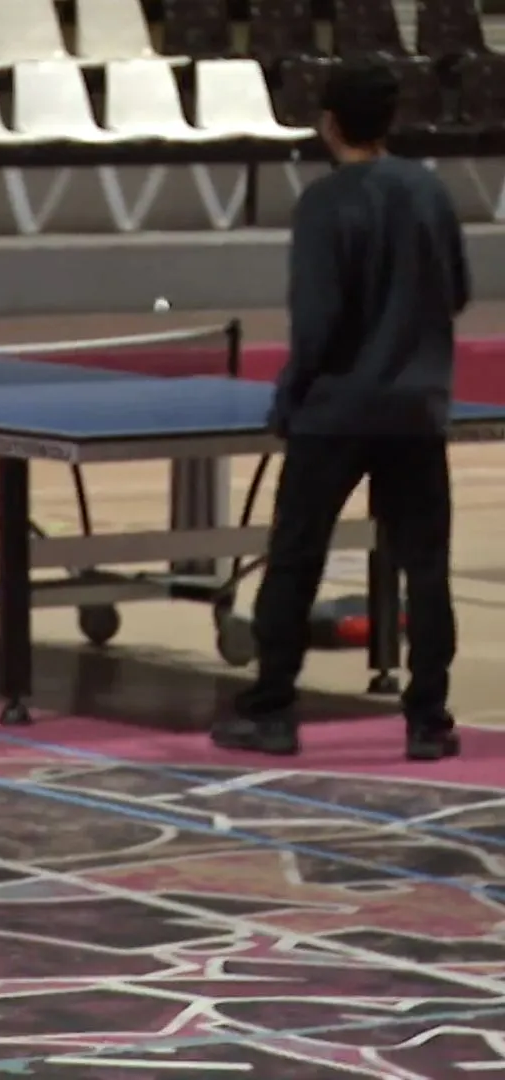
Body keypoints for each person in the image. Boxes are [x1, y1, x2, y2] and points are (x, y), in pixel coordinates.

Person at [214, 60, 468, 763]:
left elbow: (317, 322)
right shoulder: (431, 192)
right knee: (426, 566)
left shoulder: (323, 205)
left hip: (335, 412)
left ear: (329, 123)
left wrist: (290, 395)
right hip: (415, 413)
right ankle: (428, 720)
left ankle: (272, 709)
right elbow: (456, 291)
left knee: (296, 558)